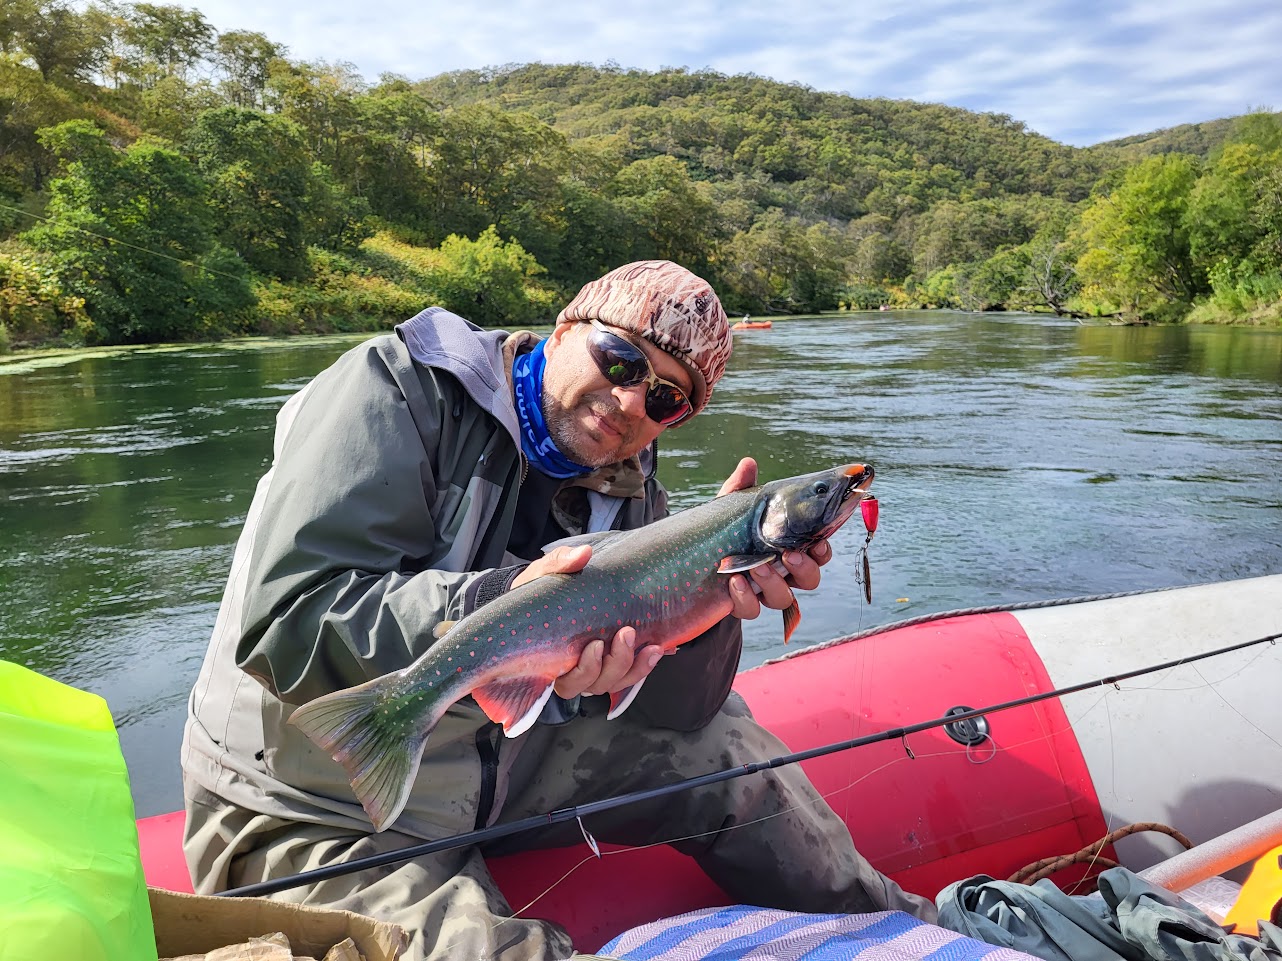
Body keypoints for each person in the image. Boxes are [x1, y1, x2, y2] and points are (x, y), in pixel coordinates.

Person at [180, 260, 935, 961]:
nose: (634, 399)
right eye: (622, 359)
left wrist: (720, 598)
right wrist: (500, 603)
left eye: (669, 398)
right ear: (566, 327)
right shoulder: (395, 390)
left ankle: (917, 932)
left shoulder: (635, 492)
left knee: (732, 749)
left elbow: (684, 711)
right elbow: (286, 620)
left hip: (495, 773)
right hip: (311, 799)